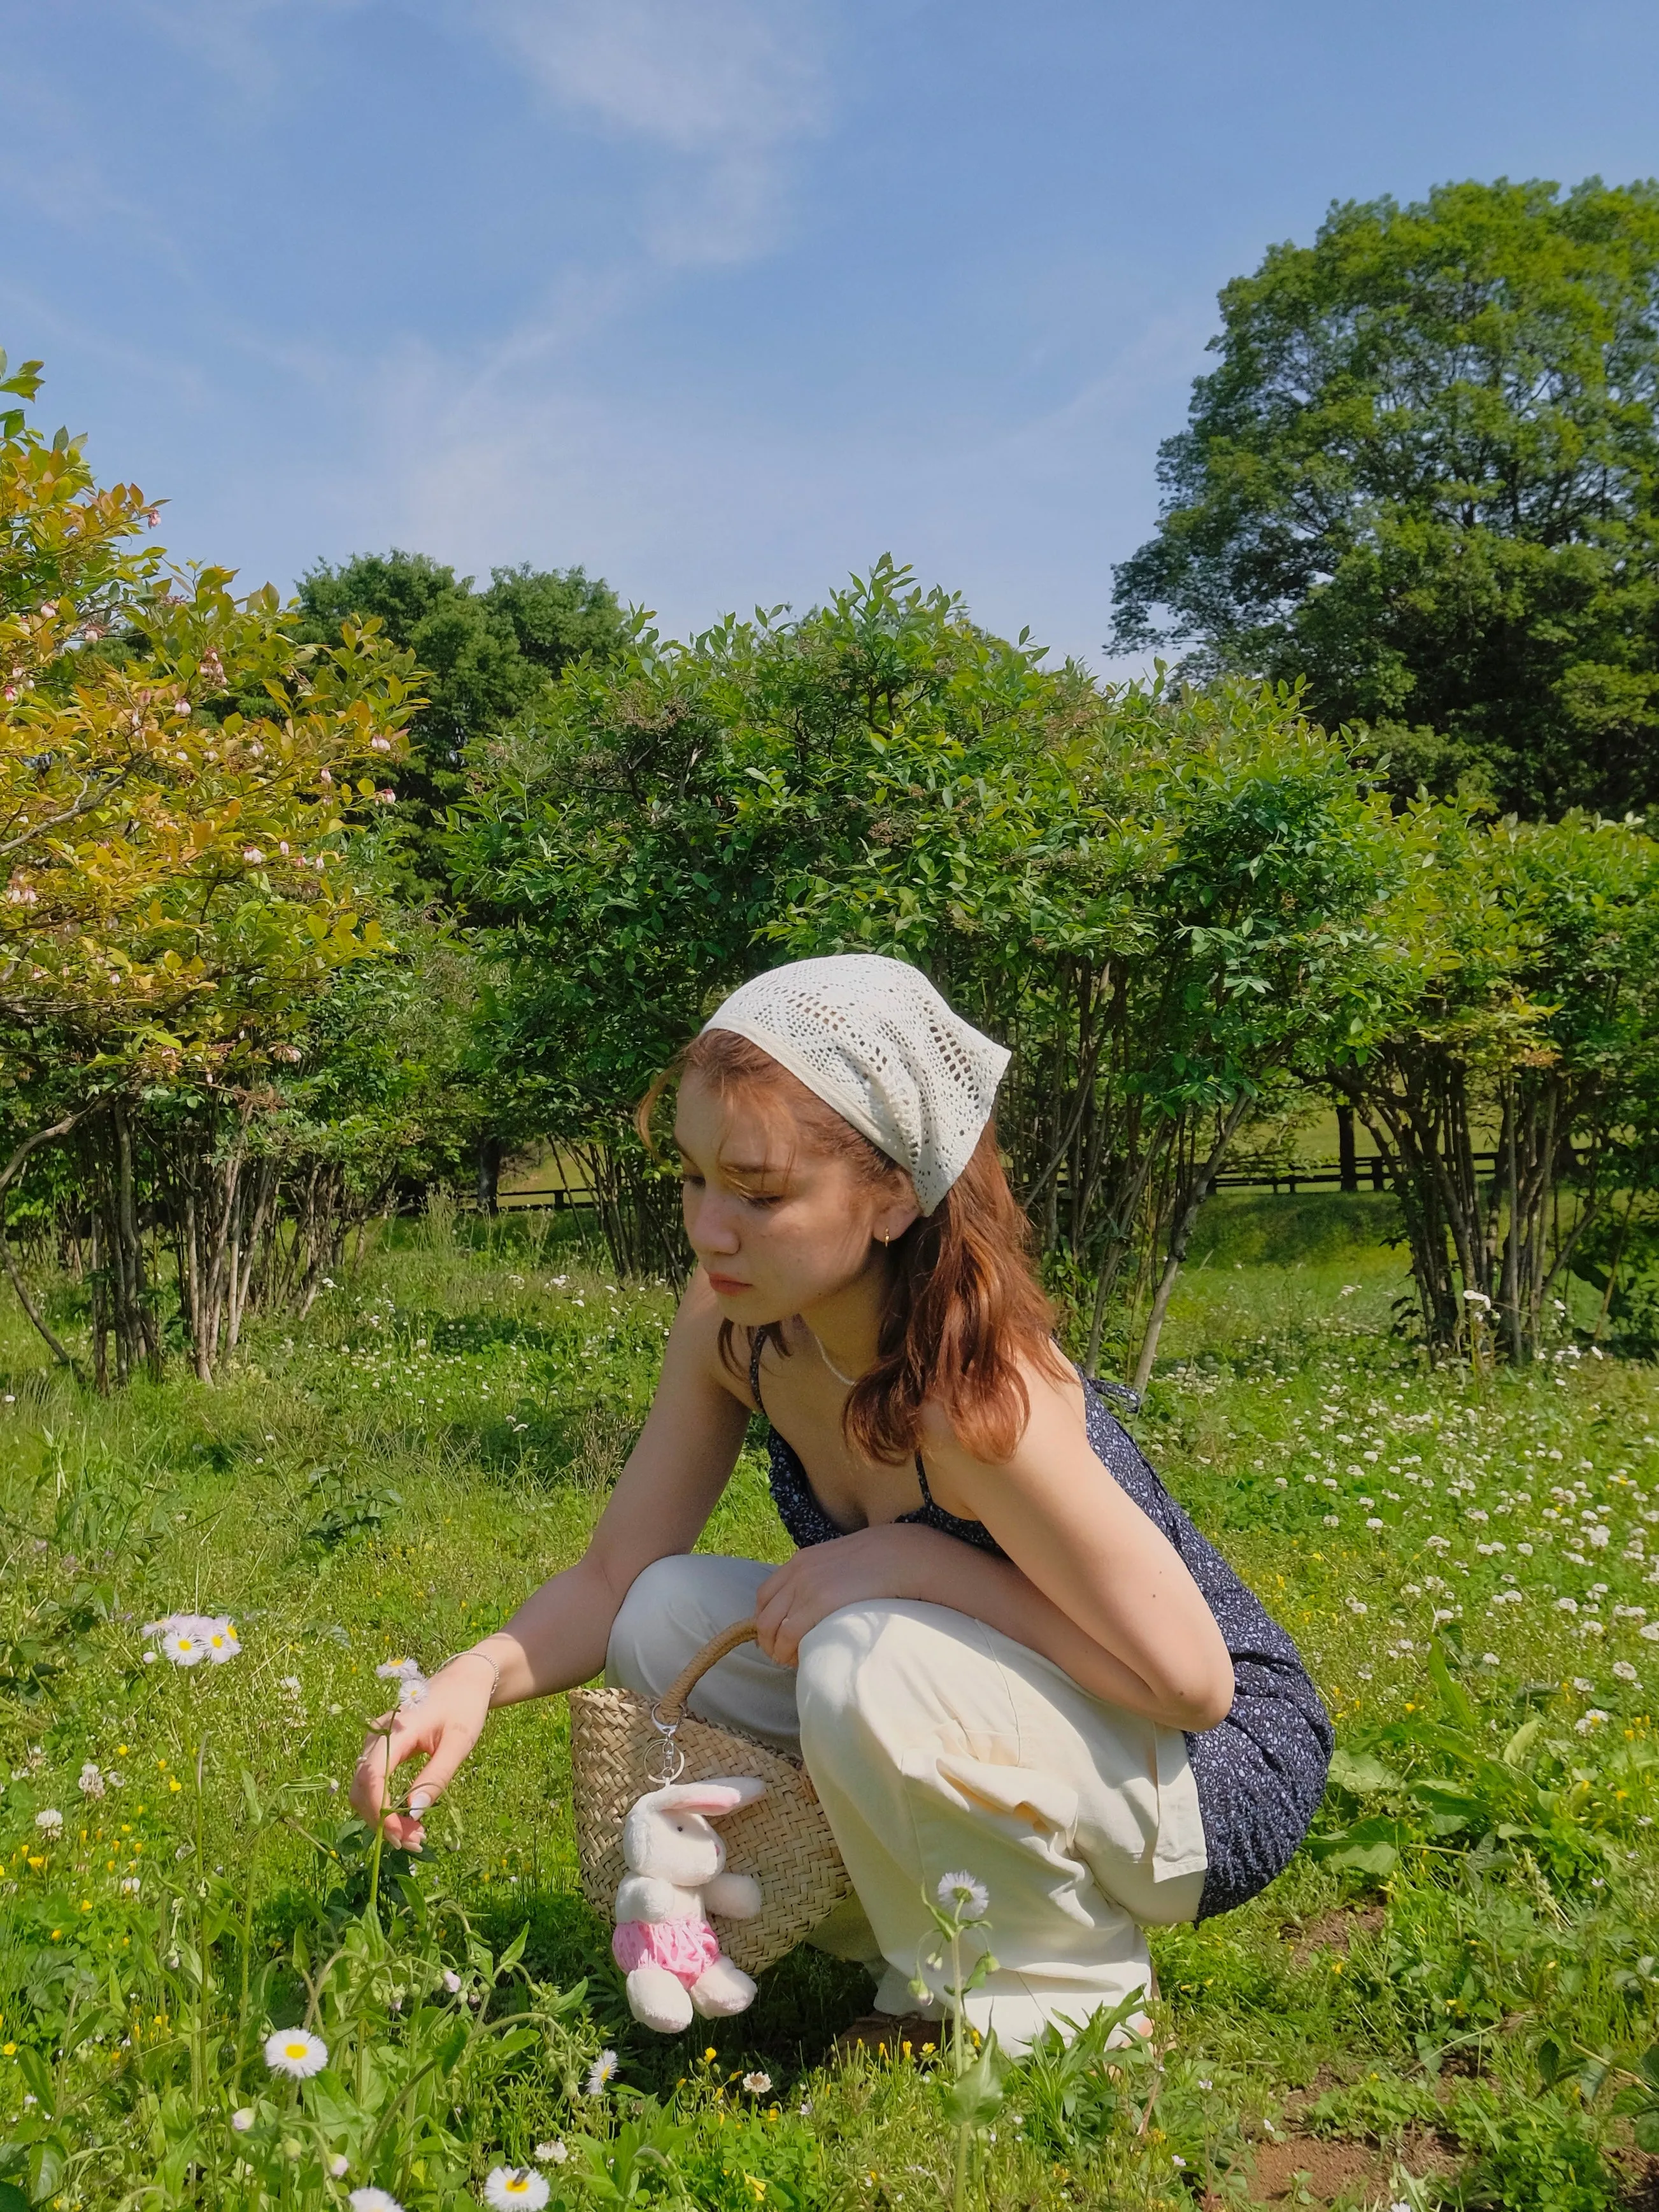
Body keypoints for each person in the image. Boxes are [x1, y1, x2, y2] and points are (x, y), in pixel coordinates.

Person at [350, 954, 1330, 2053]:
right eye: (692, 1178)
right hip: (1023, 1705)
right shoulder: (737, 1323)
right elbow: (617, 1575)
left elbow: (1191, 1683)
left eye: (760, 1193)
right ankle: (905, 1937)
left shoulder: (975, 1392)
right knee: (667, 1613)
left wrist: (919, 1563)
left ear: (892, 1196)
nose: (709, 1228)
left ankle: (1063, 2003)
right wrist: (473, 1675)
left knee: (864, 1647)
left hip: (1203, 1773)